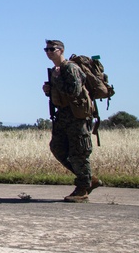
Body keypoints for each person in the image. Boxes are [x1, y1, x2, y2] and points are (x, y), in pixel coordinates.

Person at [42, 39, 102, 202]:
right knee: (57, 148)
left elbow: (74, 91)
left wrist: (57, 80)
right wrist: (49, 89)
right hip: (63, 116)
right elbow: (61, 93)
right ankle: (88, 179)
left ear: (61, 50)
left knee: (78, 153)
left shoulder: (70, 68)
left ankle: (83, 189)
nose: (48, 52)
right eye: (46, 49)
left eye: (52, 49)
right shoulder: (57, 70)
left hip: (77, 117)